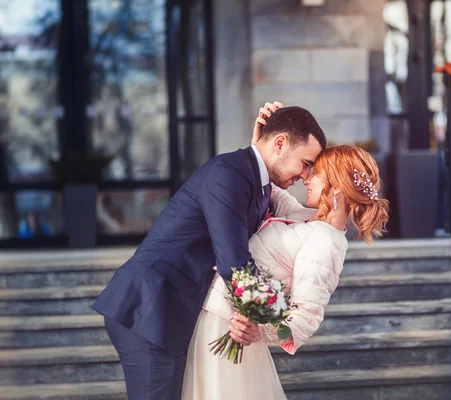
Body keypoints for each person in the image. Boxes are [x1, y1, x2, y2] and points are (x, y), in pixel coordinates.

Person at [91, 103, 326, 399]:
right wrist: (277, 317)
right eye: (305, 163)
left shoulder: (256, 180)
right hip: (150, 306)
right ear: (280, 143)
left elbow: (302, 217)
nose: (306, 174)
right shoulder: (228, 173)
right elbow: (234, 263)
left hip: (172, 311)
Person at [181, 114, 389, 399]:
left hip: (232, 327)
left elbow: (305, 317)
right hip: (214, 314)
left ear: (337, 188)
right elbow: (272, 185)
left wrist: (259, 329)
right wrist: (261, 145)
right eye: (308, 168)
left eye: (316, 172)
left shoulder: (327, 243)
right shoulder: (305, 217)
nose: (307, 177)